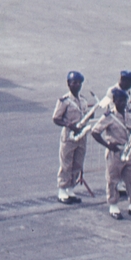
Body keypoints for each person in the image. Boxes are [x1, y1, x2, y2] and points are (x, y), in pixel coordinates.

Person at [90, 88, 131, 220]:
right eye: (120, 101)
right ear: (114, 101)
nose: (122, 103)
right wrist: (107, 145)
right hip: (115, 152)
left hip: (128, 151)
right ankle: (113, 205)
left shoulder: (129, 115)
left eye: (124, 101)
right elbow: (95, 132)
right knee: (112, 179)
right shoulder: (109, 116)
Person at [53, 70, 90, 204]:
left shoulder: (83, 100)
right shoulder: (64, 101)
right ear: (68, 83)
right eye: (74, 83)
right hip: (69, 137)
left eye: (79, 83)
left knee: (78, 163)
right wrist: (68, 124)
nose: (77, 85)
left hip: (81, 136)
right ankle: (62, 190)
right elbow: (56, 118)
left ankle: (70, 189)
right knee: (66, 164)